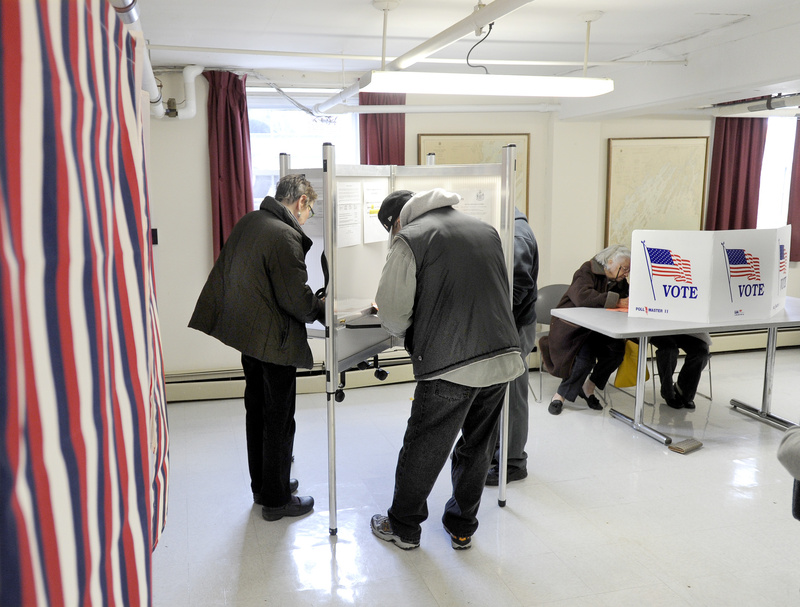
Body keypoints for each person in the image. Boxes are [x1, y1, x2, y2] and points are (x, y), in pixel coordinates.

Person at [370, 188, 524, 551]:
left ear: (396, 222)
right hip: (501, 356)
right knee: (479, 446)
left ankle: (404, 527)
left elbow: (391, 315)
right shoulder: (485, 230)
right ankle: (462, 527)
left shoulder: (410, 239)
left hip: (449, 364)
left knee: (424, 445)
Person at [188, 174, 324, 522]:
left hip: (248, 335)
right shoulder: (285, 236)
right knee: (279, 420)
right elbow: (296, 300)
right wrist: (323, 306)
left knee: (258, 413)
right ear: (301, 202)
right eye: (310, 211)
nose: (307, 219)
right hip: (273, 341)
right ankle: (277, 501)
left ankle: (264, 486)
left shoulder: (252, 219)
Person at [539, 244, 630, 415]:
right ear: (610, 262)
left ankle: (589, 386)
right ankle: (560, 395)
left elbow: (627, 295)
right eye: (624, 269)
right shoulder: (586, 271)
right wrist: (616, 301)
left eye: (628, 270)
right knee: (585, 359)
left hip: (597, 328)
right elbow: (582, 297)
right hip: (573, 328)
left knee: (616, 351)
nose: (626, 274)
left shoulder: (619, 280)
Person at [486, 208, 539, 486]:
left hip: (514, 326)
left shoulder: (518, 235)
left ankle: (514, 462)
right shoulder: (507, 230)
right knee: (499, 392)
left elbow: (517, 288)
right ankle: (496, 452)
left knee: (513, 394)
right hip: (508, 324)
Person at [649, 333, 711, 409]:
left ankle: (683, 390)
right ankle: (668, 392)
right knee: (669, 350)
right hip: (660, 330)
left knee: (701, 352)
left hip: (689, 331)